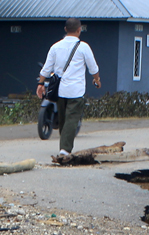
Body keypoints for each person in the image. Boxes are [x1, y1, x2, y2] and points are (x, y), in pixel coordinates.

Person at [36, 18, 101, 161]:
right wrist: (97, 80)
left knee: (64, 119)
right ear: (79, 30)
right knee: (71, 119)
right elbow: (93, 68)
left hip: (60, 90)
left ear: (65, 30)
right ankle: (65, 150)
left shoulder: (55, 47)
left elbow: (46, 68)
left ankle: (64, 146)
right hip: (76, 91)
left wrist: (40, 84)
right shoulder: (84, 47)